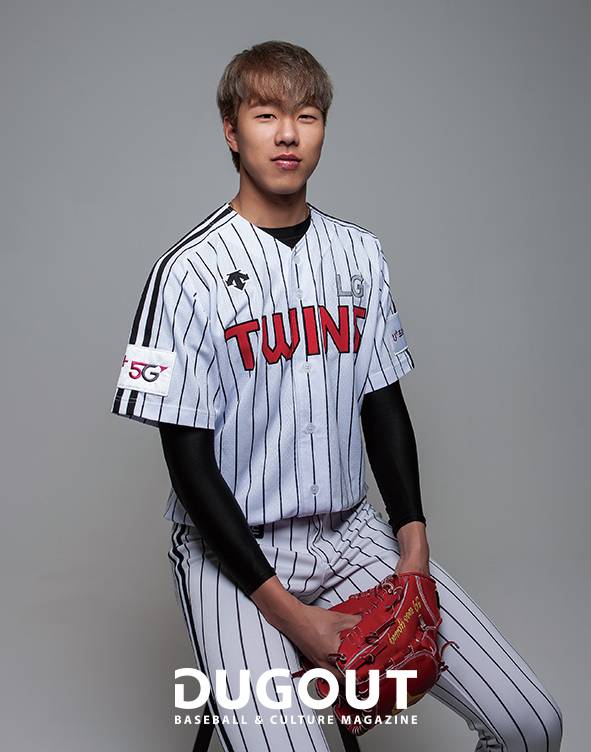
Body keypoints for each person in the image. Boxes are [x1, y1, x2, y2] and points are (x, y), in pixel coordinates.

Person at [111, 40, 563, 751]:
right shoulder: (185, 273)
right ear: (231, 131)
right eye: (266, 115)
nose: (287, 134)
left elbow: (383, 405)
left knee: (531, 724)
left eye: (307, 115)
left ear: (322, 129)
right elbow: (188, 464)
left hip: (352, 537)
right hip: (231, 558)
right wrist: (293, 619)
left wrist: (412, 545)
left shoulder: (359, 253)